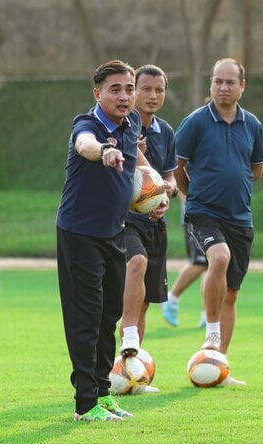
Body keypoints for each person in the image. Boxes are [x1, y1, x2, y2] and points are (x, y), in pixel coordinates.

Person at [56, 60, 165, 422]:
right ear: (97, 93)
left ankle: (103, 395)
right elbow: (85, 144)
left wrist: (157, 189)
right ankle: (85, 404)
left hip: (113, 232)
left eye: (129, 88)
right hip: (79, 234)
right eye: (115, 89)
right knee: (85, 319)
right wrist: (103, 150)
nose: (124, 96)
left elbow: (137, 159)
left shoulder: (132, 122)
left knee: (109, 317)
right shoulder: (87, 125)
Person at [174, 58, 263, 385]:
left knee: (231, 295)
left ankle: (218, 366)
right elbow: (177, 167)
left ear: (242, 86)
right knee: (219, 257)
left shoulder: (253, 124)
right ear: (210, 85)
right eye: (218, 82)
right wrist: (192, 197)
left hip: (240, 217)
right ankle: (210, 333)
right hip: (203, 213)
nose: (223, 87)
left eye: (230, 82)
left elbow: (256, 170)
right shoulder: (195, 122)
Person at [118, 65, 178, 367]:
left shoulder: (165, 132)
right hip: (124, 222)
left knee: (144, 303)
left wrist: (168, 191)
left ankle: (131, 371)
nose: (153, 95)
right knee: (136, 263)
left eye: (159, 90)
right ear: (133, 90)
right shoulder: (119, 126)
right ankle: (127, 333)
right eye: (146, 89)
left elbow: (171, 177)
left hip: (155, 225)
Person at [160, 191, 208, 328]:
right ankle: (171, 298)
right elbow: (182, 184)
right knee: (200, 263)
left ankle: (208, 315)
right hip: (195, 216)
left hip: (213, 217)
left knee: (212, 266)